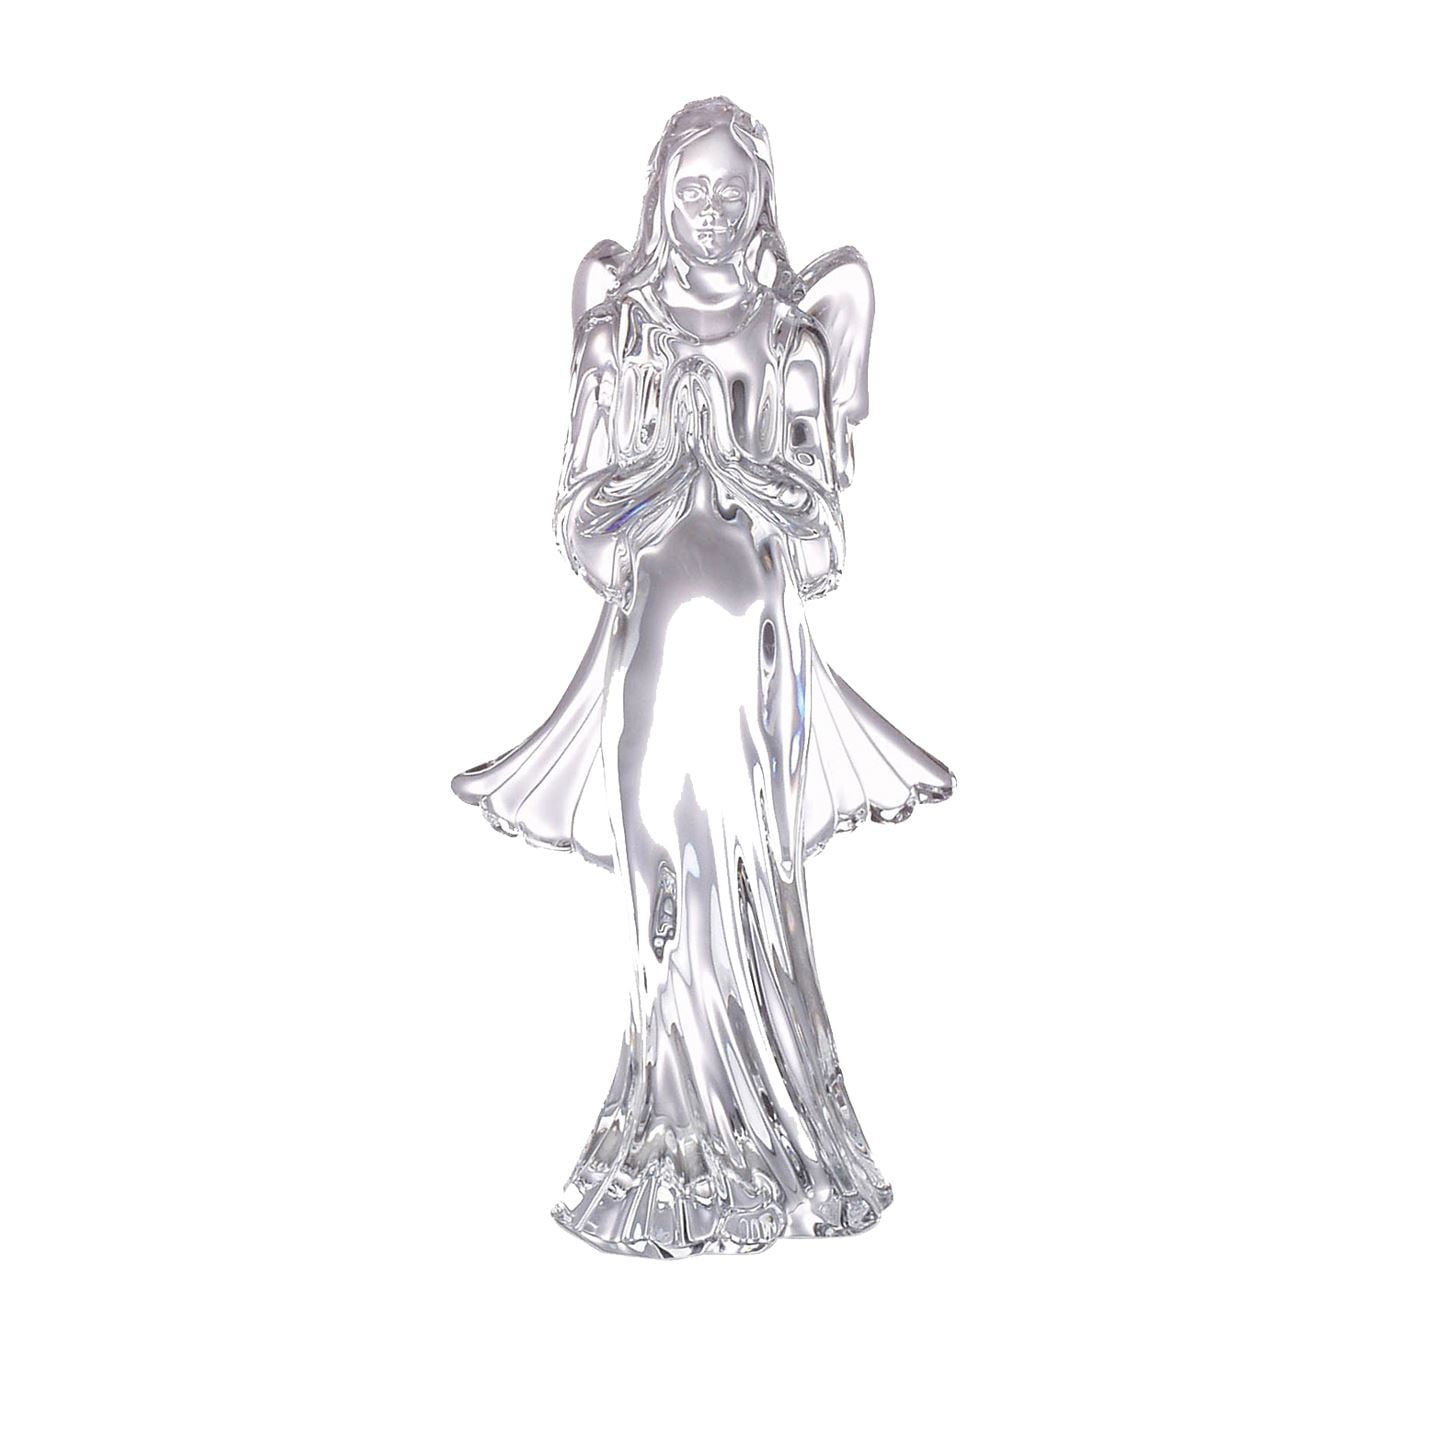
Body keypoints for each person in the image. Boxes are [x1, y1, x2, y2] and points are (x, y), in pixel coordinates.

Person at [454, 98, 953, 1256]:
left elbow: (824, 547)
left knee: (751, 894)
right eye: (694, 189)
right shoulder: (619, 333)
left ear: (763, 203)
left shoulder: (790, 339)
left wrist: (737, 466)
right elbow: (582, 533)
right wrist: (665, 475)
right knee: (663, 908)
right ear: (660, 200)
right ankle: (664, 1151)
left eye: (735, 190)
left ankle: (781, 1148)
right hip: (648, 660)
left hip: (754, 664)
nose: (715, 210)